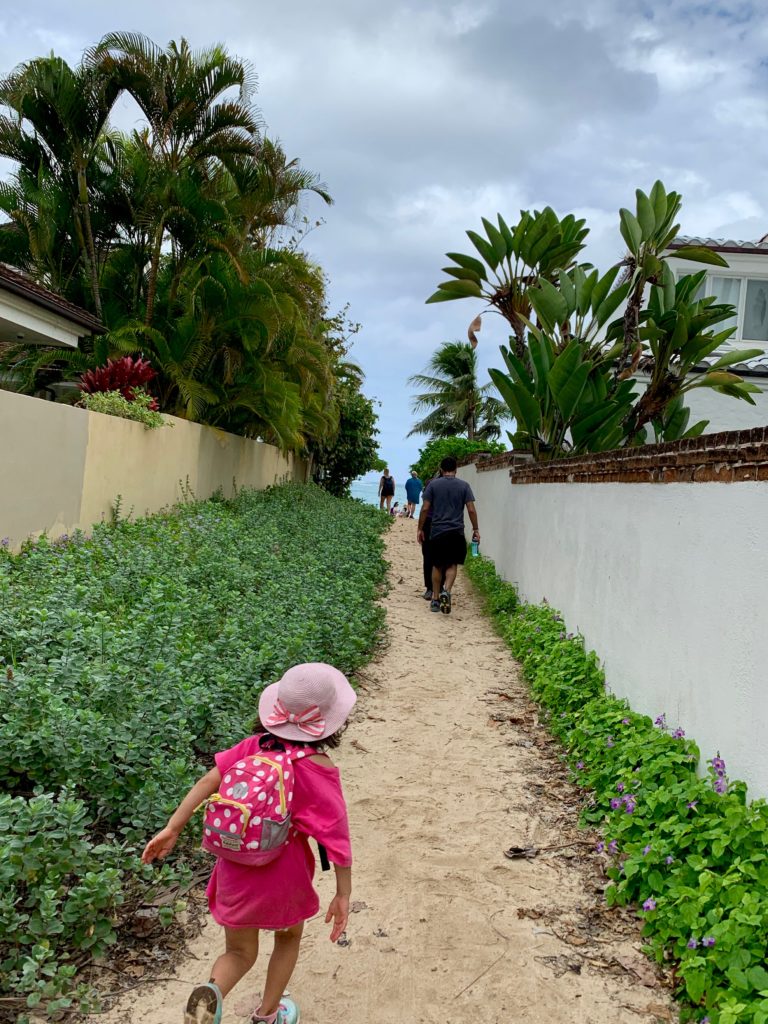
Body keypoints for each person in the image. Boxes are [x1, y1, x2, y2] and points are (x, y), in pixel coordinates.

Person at [141, 663, 356, 1024]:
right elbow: (337, 838)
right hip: (283, 877)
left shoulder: (253, 746)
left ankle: (211, 992)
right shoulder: (316, 766)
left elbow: (209, 781)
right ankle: (268, 1015)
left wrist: (172, 828)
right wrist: (343, 892)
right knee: (287, 939)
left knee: (239, 952)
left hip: (235, 870)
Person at [417, 456, 479, 615]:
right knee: (452, 564)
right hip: (456, 531)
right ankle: (447, 590)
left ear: (441, 469)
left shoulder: (433, 485)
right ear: (456, 469)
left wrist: (420, 528)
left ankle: (435, 598)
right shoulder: (464, 486)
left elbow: (425, 509)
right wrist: (476, 529)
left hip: (437, 531)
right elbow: (471, 509)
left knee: (437, 565)